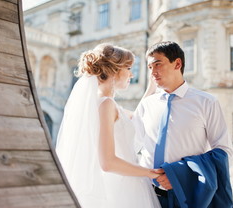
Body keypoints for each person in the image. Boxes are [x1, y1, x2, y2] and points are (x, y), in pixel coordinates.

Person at [56, 43, 161, 208]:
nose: (132, 74)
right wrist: (150, 173)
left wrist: (151, 87)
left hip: (125, 183)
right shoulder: (106, 105)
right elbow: (108, 162)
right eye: (128, 68)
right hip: (121, 190)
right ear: (115, 70)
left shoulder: (105, 104)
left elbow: (137, 116)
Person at [133, 41, 233, 207]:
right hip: (146, 195)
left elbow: (225, 152)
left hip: (186, 195)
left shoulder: (206, 102)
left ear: (177, 63)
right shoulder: (146, 105)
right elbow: (131, 146)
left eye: (157, 64)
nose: (152, 72)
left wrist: (178, 175)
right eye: (150, 67)